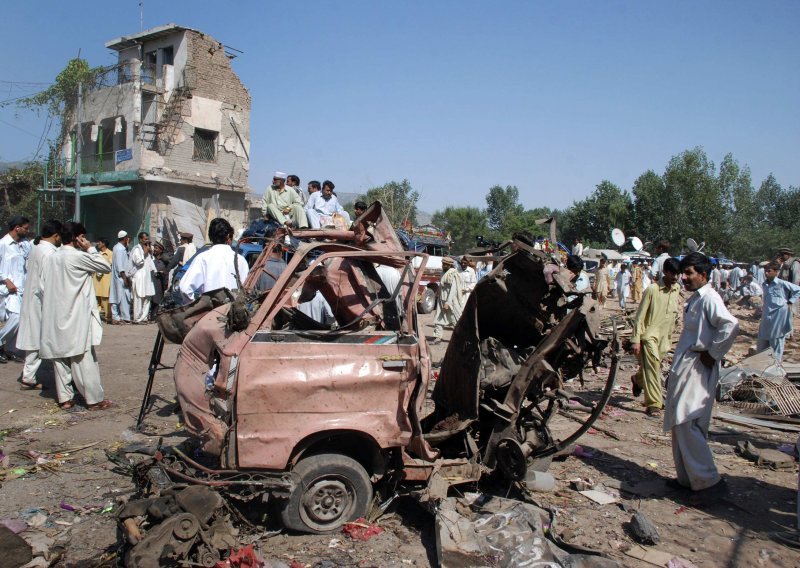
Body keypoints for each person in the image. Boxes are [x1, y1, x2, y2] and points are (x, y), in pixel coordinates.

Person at [664, 252, 738, 502]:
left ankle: (708, 481)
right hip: (688, 364)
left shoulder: (710, 298)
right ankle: (687, 479)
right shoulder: (696, 299)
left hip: (698, 365)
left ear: (703, 275)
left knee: (687, 419)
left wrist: (713, 353)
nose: (684, 277)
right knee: (680, 421)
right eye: (683, 273)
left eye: (689, 273)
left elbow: (730, 325)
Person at [40, 222, 114, 411]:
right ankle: (94, 400)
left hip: (54, 314)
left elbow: (42, 286)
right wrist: (89, 248)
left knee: (60, 358)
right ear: (78, 238)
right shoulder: (77, 256)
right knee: (83, 358)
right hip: (75, 314)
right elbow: (105, 266)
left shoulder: (51, 257)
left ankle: (65, 399)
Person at [16, 219, 63, 389]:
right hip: (41, 301)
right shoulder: (49, 253)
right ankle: (29, 377)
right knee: (38, 339)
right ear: (56, 235)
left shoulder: (36, 247)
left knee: (34, 338)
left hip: (32, 298)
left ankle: (28, 376)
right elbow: (46, 282)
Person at [631, 258, 681, 417]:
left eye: (677, 273)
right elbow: (639, 317)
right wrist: (635, 339)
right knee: (653, 369)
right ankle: (654, 404)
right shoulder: (652, 290)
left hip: (665, 338)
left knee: (652, 367)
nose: (675, 276)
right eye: (672, 273)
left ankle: (638, 380)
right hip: (649, 337)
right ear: (665, 271)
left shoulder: (676, 289)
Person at [179, 218, 249, 302]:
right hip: (233, 312)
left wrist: (197, 307)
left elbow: (184, 289)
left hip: (210, 312)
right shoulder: (241, 260)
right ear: (228, 236)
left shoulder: (203, 258)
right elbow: (246, 290)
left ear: (210, 237)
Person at [0, 216, 31, 362]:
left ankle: (10, 349)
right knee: (16, 317)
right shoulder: (3, 244)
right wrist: (7, 280)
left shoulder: (25, 244)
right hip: (9, 289)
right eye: (25, 228)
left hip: (23, 287)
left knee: (22, 319)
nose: (28, 230)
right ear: (17, 228)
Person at [757, 261, 800, 363]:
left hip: (779, 315)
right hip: (767, 315)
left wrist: (790, 301)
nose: (766, 273)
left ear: (776, 272)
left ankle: (776, 365)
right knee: (763, 339)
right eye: (765, 271)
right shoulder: (764, 284)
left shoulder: (781, 283)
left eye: (769, 271)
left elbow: (798, 290)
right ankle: (763, 365)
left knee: (777, 339)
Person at [431, 257, 464, 345]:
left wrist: (448, 302)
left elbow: (453, 289)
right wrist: (437, 294)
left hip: (451, 300)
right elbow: (441, 286)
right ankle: (438, 337)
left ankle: (462, 337)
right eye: (443, 264)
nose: (443, 266)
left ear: (449, 265)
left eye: (445, 264)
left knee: (455, 319)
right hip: (441, 299)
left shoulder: (453, 273)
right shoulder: (442, 272)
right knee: (439, 317)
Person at [129, 232, 156, 323]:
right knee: (138, 298)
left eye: (147, 239)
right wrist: (144, 252)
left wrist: (149, 252)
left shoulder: (148, 249)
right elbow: (139, 262)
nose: (147, 241)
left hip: (147, 278)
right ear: (140, 239)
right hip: (139, 277)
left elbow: (151, 263)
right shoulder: (137, 249)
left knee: (147, 297)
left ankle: (144, 317)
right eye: (145, 239)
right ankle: (137, 318)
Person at [109, 231, 131, 324]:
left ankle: (122, 317)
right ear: (125, 238)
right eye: (127, 238)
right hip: (120, 277)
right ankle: (116, 317)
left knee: (121, 296)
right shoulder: (119, 249)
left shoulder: (120, 248)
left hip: (120, 276)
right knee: (118, 296)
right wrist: (124, 277)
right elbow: (119, 264)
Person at [93, 238, 113, 321]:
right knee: (96, 298)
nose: (98, 244)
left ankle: (108, 316)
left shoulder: (110, 254)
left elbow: (109, 265)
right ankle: (96, 317)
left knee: (105, 298)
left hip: (105, 279)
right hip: (96, 280)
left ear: (104, 244)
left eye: (99, 242)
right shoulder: (96, 254)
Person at [150, 241, 170, 318]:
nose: (154, 249)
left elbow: (166, 274)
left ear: (161, 250)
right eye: (154, 248)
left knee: (156, 301)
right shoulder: (151, 259)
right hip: (151, 283)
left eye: (156, 248)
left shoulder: (163, 262)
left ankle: (153, 317)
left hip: (158, 284)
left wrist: (165, 285)